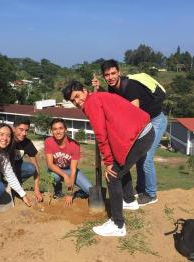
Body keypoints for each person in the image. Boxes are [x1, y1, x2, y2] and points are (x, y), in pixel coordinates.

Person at [63, 81, 154, 237]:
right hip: (144, 132)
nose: (77, 102)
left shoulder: (92, 102)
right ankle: (130, 201)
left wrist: (108, 162)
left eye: (77, 96)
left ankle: (118, 225)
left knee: (113, 176)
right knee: (121, 165)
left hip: (139, 136)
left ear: (84, 91)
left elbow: (100, 133)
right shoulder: (97, 97)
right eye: (73, 101)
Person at [92, 59, 167, 206]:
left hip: (155, 120)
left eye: (113, 73)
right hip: (144, 122)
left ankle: (151, 194)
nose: (110, 77)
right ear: (103, 76)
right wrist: (99, 89)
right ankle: (140, 188)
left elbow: (134, 115)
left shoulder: (130, 86)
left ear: (119, 72)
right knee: (140, 157)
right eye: (107, 75)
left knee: (146, 159)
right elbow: (114, 102)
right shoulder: (112, 88)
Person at [44, 118, 93, 206]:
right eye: (55, 129)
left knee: (90, 190)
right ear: (51, 131)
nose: (58, 131)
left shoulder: (74, 145)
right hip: (56, 169)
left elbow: (73, 169)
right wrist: (65, 175)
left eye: (61, 128)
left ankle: (77, 193)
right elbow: (50, 164)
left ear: (65, 129)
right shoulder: (48, 141)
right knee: (55, 176)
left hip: (70, 169)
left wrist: (70, 192)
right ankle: (58, 191)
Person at [12, 117, 43, 202]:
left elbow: (35, 166)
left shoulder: (27, 143)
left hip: (16, 168)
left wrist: (37, 189)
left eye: (26, 130)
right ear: (14, 128)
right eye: (21, 129)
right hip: (1, 169)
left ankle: (14, 186)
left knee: (31, 168)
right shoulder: (7, 139)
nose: (24, 133)